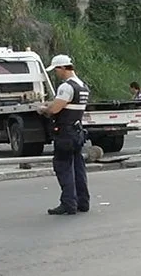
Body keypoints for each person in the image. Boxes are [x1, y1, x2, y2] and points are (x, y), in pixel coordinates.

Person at [38, 54, 91, 215]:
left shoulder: (66, 87)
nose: (56, 73)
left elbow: (55, 109)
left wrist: (43, 109)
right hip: (77, 130)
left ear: (62, 68)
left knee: (63, 166)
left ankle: (68, 203)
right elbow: (67, 105)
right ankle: (83, 201)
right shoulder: (82, 86)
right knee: (78, 167)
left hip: (65, 132)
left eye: (56, 70)